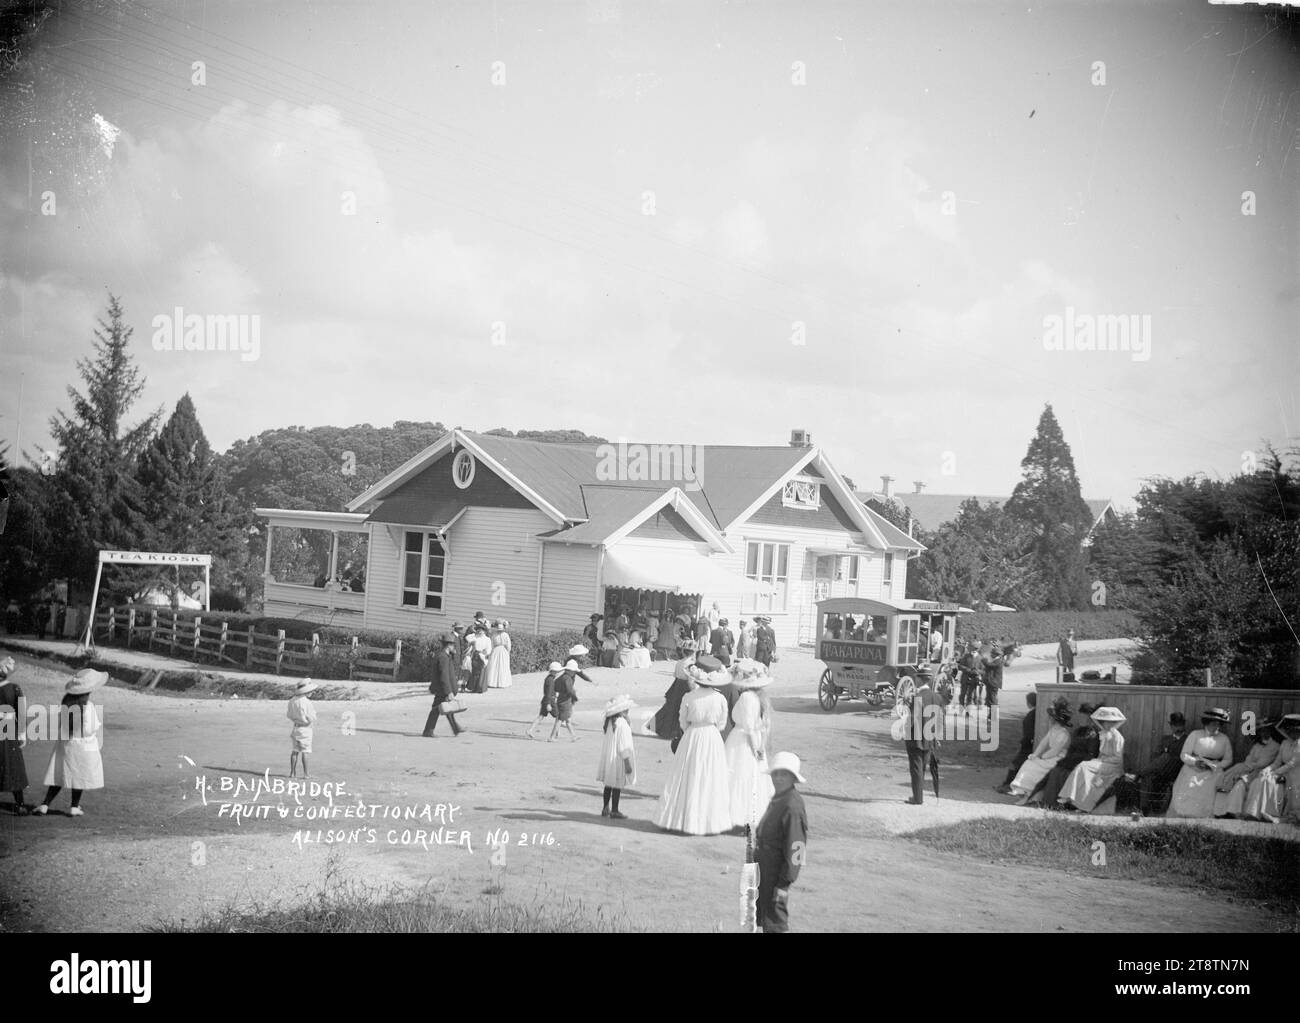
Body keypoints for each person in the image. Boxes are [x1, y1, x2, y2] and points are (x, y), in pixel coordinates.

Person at [654, 664, 731, 835]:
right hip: (712, 736)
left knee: (687, 774)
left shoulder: (689, 697)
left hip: (693, 735)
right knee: (709, 776)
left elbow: (682, 721)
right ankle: (708, 821)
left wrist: (692, 728)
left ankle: (682, 819)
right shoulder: (720, 698)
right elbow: (722, 723)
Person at [35, 668, 108, 817]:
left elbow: (61, 725)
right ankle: (74, 806)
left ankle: (45, 804)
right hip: (84, 745)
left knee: (59, 774)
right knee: (79, 775)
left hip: (67, 743)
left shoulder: (66, 703)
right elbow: (90, 728)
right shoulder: (89, 707)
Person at [754, 751, 808, 934]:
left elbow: (797, 848)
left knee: (775, 921)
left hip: (777, 872)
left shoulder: (792, 806)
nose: (778, 778)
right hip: (765, 867)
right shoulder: (779, 798)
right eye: (775, 773)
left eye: (784, 774)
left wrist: (785, 883)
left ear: (793, 777)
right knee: (764, 917)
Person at [725, 663, 774, 829]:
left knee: (739, 775)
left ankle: (738, 815)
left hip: (742, 741)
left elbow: (748, 726)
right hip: (751, 739)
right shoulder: (759, 698)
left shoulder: (747, 698)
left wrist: (756, 748)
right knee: (752, 776)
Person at [1023, 703, 1099, 808]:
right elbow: (1071, 749)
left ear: (1090, 719)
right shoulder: (1077, 731)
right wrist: (1067, 760)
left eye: (1084, 717)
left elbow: (1091, 754)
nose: (1081, 720)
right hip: (1072, 758)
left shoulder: (1093, 734)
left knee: (1064, 773)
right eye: (1080, 716)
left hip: (1084, 761)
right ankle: (1048, 802)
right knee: (1055, 771)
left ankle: (1063, 804)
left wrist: (1076, 762)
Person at [1167, 708, 1234, 818]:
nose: (1216, 727)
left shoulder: (1224, 739)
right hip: (1194, 767)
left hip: (1214, 770)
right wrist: (1195, 762)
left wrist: (1216, 766)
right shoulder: (1195, 734)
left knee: (1210, 787)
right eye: (1213, 724)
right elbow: (1184, 754)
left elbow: (1228, 759)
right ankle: (1184, 814)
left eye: (1218, 724)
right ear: (1206, 723)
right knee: (1189, 783)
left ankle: (1205, 816)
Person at [1059, 706, 1126, 813]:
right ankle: (1080, 804)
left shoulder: (1117, 737)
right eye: (1105, 722)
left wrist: (1101, 762)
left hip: (1113, 767)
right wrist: (1097, 761)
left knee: (1083, 766)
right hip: (1102, 764)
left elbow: (1118, 759)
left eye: (1110, 722)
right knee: (1085, 772)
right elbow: (1101, 754)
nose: (1107, 724)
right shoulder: (1103, 735)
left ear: (1114, 723)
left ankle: (1068, 795)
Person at [1009, 696, 1073, 801]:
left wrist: (1043, 757)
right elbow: (1043, 743)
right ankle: (1023, 790)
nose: (1049, 719)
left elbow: (1055, 751)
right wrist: (1036, 754)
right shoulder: (1053, 730)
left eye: (1051, 717)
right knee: (1029, 762)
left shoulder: (1064, 734)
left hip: (1059, 758)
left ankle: (1029, 792)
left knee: (1036, 766)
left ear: (1056, 719)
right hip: (1050, 757)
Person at [1241, 714, 1300, 822]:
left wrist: (1275, 773)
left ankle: (1273, 813)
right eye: (1290, 730)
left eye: (1296, 731)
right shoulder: (1285, 743)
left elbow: (1292, 764)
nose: (1292, 733)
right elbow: (1278, 761)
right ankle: (1255, 812)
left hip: (1296, 775)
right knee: (1262, 779)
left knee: (1271, 781)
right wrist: (1267, 770)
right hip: (1284, 773)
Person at [1218, 720, 1281, 818]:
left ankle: (1249, 813)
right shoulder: (1257, 746)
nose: (1264, 733)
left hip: (1263, 772)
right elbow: (1248, 759)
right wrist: (1244, 768)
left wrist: (1246, 767)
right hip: (1249, 770)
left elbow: (1263, 763)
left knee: (1243, 780)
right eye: (1261, 731)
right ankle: (1232, 812)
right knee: (1239, 783)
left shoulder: (1275, 746)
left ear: (1270, 731)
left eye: (1266, 730)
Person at [901, 666, 941, 804]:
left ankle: (917, 798)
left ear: (918, 679)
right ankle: (918, 796)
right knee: (922, 767)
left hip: (916, 738)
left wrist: (904, 731)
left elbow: (912, 719)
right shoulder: (937, 697)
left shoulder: (918, 697)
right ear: (929, 680)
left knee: (916, 768)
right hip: (929, 738)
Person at [1135, 712, 1188, 816]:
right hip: (1161, 770)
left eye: (1180, 725)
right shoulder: (1166, 739)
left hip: (1176, 769)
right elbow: (1155, 756)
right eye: (1175, 725)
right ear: (1171, 726)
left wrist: (1168, 756)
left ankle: (1139, 774)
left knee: (1166, 756)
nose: (1178, 728)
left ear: (1183, 725)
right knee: (1148, 777)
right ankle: (1144, 810)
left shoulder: (1187, 739)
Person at [597, 695, 637, 819]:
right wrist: (627, 763)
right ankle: (614, 810)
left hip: (609, 757)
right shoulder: (622, 724)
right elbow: (623, 746)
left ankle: (605, 808)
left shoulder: (609, 722)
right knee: (617, 784)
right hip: (618, 759)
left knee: (608, 784)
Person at [654, 640, 698, 752]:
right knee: (683, 709)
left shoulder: (679, 662)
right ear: (693, 652)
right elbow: (691, 680)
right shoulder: (691, 665)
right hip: (685, 687)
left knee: (671, 708)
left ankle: (664, 729)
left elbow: (675, 675)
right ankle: (679, 731)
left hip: (676, 685)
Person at [0, 656, 30, 813]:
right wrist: (22, 734)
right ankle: (20, 804)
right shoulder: (14, 688)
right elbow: (22, 713)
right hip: (9, 733)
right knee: (13, 767)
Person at [995, 692, 1038, 793]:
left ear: (1029, 703)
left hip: (1028, 744)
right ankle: (1008, 784)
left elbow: (1029, 732)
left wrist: (1026, 741)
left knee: (1015, 764)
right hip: (1029, 743)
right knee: (1018, 764)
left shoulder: (1031, 715)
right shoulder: (1036, 713)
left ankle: (1008, 785)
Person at [423, 634, 463, 737]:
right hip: (442, 689)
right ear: (448, 645)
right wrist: (448, 691)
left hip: (442, 688)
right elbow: (444, 676)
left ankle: (455, 728)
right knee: (436, 709)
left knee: (447, 708)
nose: (454, 647)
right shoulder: (443, 657)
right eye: (453, 645)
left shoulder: (445, 656)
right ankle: (428, 731)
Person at [550, 659, 592, 742]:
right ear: (570, 671)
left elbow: (555, 687)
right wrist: (575, 697)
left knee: (567, 719)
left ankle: (573, 736)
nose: (574, 673)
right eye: (574, 671)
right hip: (565, 700)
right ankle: (552, 737)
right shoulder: (567, 678)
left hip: (561, 699)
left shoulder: (561, 677)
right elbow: (570, 690)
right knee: (560, 719)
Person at [287, 679, 318, 777]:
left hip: (296, 727)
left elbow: (289, 715)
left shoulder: (292, 700)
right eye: (311, 691)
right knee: (305, 751)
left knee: (295, 751)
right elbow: (311, 717)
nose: (312, 692)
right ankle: (306, 774)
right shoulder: (307, 702)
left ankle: (292, 773)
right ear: (307, 691)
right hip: (306, 729)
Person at [526, 662, 563, 739]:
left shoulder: (549, 678)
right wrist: (548, 704)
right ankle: (557, 733)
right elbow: (549, 692)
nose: (558, 673)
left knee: (541, 716)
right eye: (556, 671)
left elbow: (548, 692)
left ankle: (530, 730)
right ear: (552, 671)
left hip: (545, 700)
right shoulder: (550, 680)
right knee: (559, 717)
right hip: (550, 701)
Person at [980, 641, 1004, 727]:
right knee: (990, 699)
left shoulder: (998, 661)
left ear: (995, 654)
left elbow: (989, 665)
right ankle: (990, 717)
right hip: (991, 682)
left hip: (993, 683)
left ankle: (992, 717)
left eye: (992, 653)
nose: (991, 655)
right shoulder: (997, 660)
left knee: (992, 700)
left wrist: (983, 659)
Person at [484, 620, 513, 689]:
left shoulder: (494, 635)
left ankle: (493, 682)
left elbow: (492, 644)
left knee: (494, 665)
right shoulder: (505, 635)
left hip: (496, 650)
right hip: (503, 650)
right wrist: (508, 651)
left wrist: (491, 651)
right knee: (502, 665)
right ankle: (502, 682)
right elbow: (508, 645)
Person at [467, 624, 491, 693]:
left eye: (482, 630)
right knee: (474, 672)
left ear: (484, 631)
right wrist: (474, 633)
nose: (480, 632)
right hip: (475, 656)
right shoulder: (475, 637)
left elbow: (489, 649)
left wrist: (485, 653)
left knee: (481, 672)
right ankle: (473, 688)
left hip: (482, 656)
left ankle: (480, 688)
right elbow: (467, 638)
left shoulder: (487, 639)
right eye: (479, 630)